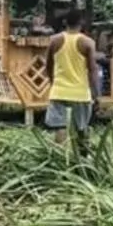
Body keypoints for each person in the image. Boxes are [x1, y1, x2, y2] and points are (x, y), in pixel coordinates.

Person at [41, 9, 96, 144]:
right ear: (81, 23)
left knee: (60, 127)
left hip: (59, 92)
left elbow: (48, 66)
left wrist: (54, 83)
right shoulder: (88, 43)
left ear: (65, 22)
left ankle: (60, 159)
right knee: (82, 129)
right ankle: (82, 160)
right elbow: (92, 70)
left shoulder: (54, 40)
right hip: (81, 93)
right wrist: (95, 94)